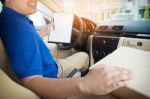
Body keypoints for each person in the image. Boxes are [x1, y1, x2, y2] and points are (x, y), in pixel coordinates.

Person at [0, 0, 134, 99]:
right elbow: (32, 82)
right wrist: (85, 83)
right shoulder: (20, 29)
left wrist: (43, 33)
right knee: (83, 55)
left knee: (69, 52)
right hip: (53, 73)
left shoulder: (10, 19)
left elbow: (28, 43)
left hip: (46, 64)